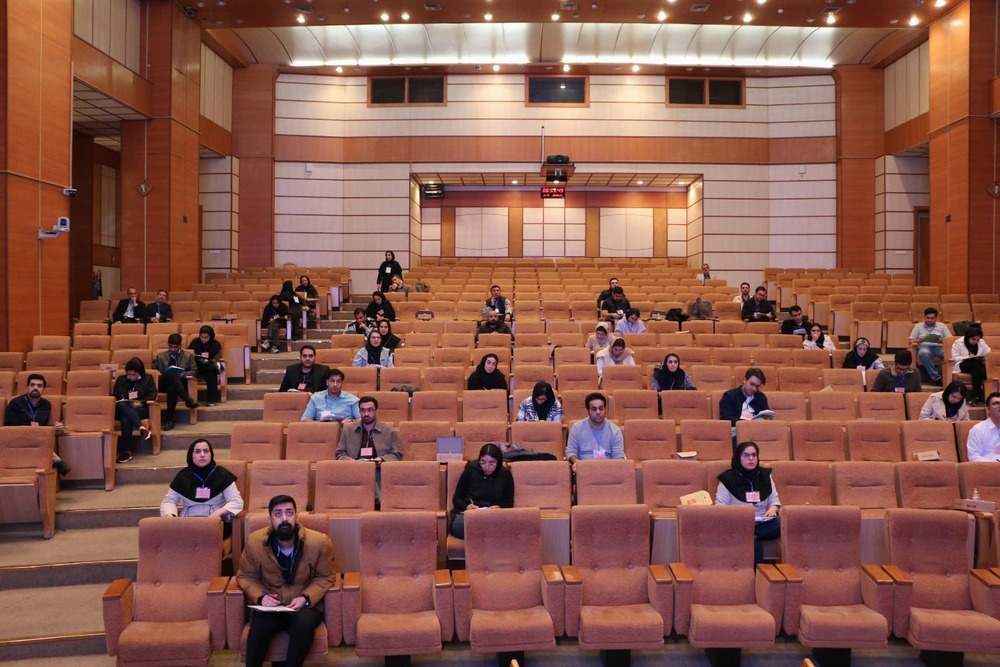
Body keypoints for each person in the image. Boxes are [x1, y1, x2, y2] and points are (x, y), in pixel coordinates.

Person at [237, 494, 335, 667]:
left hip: (304, 606)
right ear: (270, 519)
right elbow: (246, 576)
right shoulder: (254, 542)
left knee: (303, 624)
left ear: (296, 517)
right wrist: (261, 597)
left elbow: (326, 576)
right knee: (260, 626)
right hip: (271, 605)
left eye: (289, 513)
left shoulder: (319, 542)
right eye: (278, 514)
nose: (284, 518)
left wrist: (305, 598)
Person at [714, 441, 781, 565]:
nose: (751, 458)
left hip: (762, 522)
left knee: (781, 522)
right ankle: (755, 537)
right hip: (738, 522)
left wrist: (773, 509)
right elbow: (720, 507)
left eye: (754, 455)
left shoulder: (765, 475)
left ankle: (752, 536)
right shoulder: (728, 479)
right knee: (753, 538)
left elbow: (774, 500)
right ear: (738, 457)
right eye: (746, 455)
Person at [160, 439, 244, 536]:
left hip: (215, 522)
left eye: (206, 451)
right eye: (197, 451)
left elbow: (236, 501)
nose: (202, 455)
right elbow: (168, 501)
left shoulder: (222, 475)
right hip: (188, 523)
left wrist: (219, 513)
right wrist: (170, 516)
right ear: (191, 455)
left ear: (211, 454)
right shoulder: (183, 477)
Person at [3, 373, 71, 475]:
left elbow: (41, 427)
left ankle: (53, 464)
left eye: (39, 386)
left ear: (43, 389)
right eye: (32, 385)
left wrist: (53, 428)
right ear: (27, 387)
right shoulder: (15, 403)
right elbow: (10, 428)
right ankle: (56, 461)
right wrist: (30, 431)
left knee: (41, 440)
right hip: (17, 438)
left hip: (37, 439)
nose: (35, 388)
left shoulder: (46, 405)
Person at [449, 443, 515, 539]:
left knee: (508, 525)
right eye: (483, 462)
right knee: (459, 526)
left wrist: (499, 507)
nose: (487, 467)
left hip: (493, 516)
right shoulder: (471, 470)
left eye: (491, 463)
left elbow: (509, 503)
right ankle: (488, 536)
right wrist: (467, 506)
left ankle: (484, 536)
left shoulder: (505, 474)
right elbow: (457, 499)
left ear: (498, 462)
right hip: (470, 515)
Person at [113, 357, 157, 463]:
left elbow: (152, 395)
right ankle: (141, 427)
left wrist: (140, 403)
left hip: (140, 409)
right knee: (122, 405)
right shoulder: (121, 379)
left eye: (134, 374)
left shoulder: (148, 379)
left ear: (139, 372)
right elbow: (115, 395)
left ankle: (126, 453)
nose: (131, 377)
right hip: (122, 407)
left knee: (126, 418)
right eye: (129, 374)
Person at [565, 393, 624, 471]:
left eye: (601, 408)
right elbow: (570, 452)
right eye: (594, 409)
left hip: (608, 470)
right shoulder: (577, 428)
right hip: (584, 469)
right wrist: (576, 462)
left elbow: (618, 457)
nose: (598, 412)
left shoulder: (615, 431)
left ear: (605, 410)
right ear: (588, 411)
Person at [153, 333, 199, 431]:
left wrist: (183, 374)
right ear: (168, 344)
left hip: (181, 383)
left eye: (175, 347)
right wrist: (158, 373)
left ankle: (169, 421)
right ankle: (187, 399)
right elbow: (154, 371)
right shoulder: (160, 356)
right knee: (170, 373)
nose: (173, 349)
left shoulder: (188, 356)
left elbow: (194, 371)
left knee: (172, 389)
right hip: (163, 382)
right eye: (171, 346)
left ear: (180, 345)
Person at [336, 396, 402, 462]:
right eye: (363, 410)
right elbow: (340, 453)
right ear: (359, 412)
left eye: (370, 410)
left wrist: (382, 459)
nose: (366, 414)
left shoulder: (389, 431)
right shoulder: (348, 430)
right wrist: (349, 460)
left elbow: (397, 454)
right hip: (355, 466)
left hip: (379, 466)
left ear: (376, 411)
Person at [909, 307, 951, 385]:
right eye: (928, 318)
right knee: (924, 353)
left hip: (939, 347)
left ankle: (934, 376)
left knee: (948, 354)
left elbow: (950, 339)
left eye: (932, 318)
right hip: (924, 347)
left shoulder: (942, 326)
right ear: (924, 317)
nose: (930, 320)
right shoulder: (918, 326)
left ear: (936, 318)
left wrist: (941, 341)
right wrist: (918, 341)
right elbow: (910, 341)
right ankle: (937, 378)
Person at [951, 326, 991, 404]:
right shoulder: (958, 342)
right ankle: (989, 377)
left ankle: (976, 396)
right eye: (973, 339)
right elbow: (954, 358)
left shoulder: (981, 342)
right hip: (963, 365)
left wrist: (983, 357)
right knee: (974, 362)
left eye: (977, 340)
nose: (976, 342)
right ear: (968, 337)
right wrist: (968, 357)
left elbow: (989, 353)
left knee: (975, 372)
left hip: (976, 366)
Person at [189, 325, 223, 406]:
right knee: (212, 367)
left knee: (211, 371)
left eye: (206, 337)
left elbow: (217, 357)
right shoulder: (194, 342)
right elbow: (189, 355)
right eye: (202, 337)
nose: (203, 339)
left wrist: (209, 361)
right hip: (197, 366)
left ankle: (211, 399)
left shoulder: (215, 344)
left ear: (210, 336)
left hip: (209, 367)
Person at [966, 392, 1000, 462]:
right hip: (988, 466)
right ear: (988, 410)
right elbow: (973, 456)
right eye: (995, 403)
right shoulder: (978, 429)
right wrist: (994, 464)